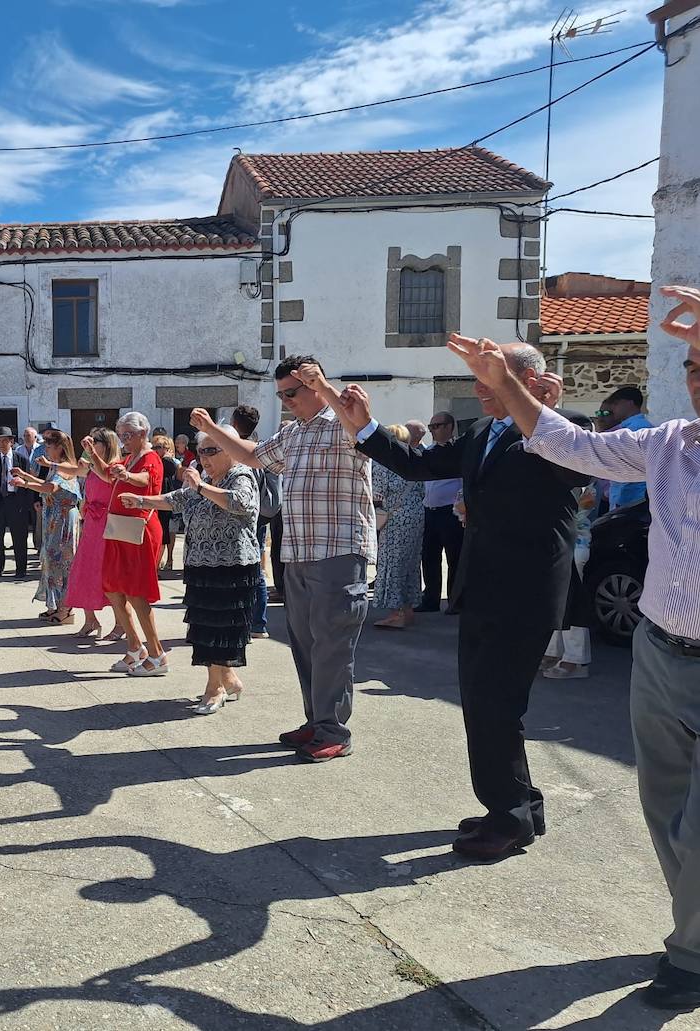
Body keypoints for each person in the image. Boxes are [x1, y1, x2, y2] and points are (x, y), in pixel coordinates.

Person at [442, 285, 699, 1008]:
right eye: (695, 367)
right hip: (659, 653)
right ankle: (697, 923)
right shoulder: (667, 443)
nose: (698, 378)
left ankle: (690, 951)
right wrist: (506, 388)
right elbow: (568, 443)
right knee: (667, 810)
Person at [299, 343, 589, 859]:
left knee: (497, 705)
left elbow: (576, 473)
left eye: (487, 376)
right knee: (482, 704)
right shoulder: (480, 432)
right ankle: (518, 803)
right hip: (480, 588)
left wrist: (542, 415)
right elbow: (416, 464)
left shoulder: (561, 426)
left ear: (524, 380)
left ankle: (510, 818)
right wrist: (363, 427)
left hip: (526, 593)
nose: (477, 387)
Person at [192, 354, 376, 763]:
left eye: (293, 392)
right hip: (297, 552)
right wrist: (212, 431)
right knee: (306, 645)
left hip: (339, 551)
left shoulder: (344, 419)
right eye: (282, 395)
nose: (287, 400)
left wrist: (326, 387)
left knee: (332, 646)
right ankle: (317, 721)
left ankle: (334, 731)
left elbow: (365, 432)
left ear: (315, 385)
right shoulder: (293, 433)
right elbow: (253, 455)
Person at [122, 429, 260, 712]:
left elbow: (240, 503)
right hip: (200, 566)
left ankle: (215, 687)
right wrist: (141, 501)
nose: (204, 458)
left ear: (229, 450)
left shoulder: (241, 476)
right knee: (205, 628)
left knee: (221, 629)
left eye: (211, 451)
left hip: (230, 567)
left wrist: (201, 488)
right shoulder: (206, 479)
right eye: (201, 451)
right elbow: (175, 499)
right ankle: (229, 678)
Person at [102, 412, 167, 676]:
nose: (123, 439)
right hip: (122, 529)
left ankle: (157, 655)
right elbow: (106, 476)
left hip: (140, 531)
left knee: (136, 593)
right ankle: (134, 647)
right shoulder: (131, 457)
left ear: (142, 433)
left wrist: (127, 476)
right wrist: (93, 456)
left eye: (127, 434)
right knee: (113, 589)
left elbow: (147, 482)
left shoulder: (150, 457)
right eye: (121, 435)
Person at [540, 414, 597, 681]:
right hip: (554, 538)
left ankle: (576, 659)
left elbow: (586, 503)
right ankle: (553, 650)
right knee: (554, 598)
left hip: (576, 539)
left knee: (573, 601)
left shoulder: (585, 463)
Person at [11, 428, 80, 624]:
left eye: (48, 445)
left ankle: (66, 609)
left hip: (64, 520)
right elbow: (47, 483)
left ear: (59, 448)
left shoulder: (66, 466)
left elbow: (51, 488)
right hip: (55, 519)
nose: (45, 449)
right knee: (51, 561)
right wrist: (26, 475)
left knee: (63, 563)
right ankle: (57, 605)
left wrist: (24, 483)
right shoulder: (56, 466)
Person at [62, 428, 123, 640]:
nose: (91, 444)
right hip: (91, 525)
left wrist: (92, 455)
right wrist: (85, 452)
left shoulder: (115, 466)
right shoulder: (90, 466)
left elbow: (107, 478)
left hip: (108, 526)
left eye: (96, 441)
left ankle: (120, 624)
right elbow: (76, 470)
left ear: (106, 444)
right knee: (84, 572)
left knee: (108, 576)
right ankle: (90, 620)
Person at [231, 405, 280, 639]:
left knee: (246, 569)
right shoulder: (262, 448)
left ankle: (251, 621)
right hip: (261, 516)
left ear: (234, 422)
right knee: (256, 567)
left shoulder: (238, 450)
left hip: (245, 517)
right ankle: (258, 623)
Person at [370, 425, 425, 629]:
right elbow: (422, 489)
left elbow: (377, 492)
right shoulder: (415, 456)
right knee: (411, 563)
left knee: (393, 563)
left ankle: (397, 613)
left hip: (394, 517)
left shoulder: (385, 462)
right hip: (416, 515)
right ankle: (408, 609)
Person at [416, 411, 464, 614]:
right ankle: (431, 599)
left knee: (455, 558)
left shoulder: (458, 452)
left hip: (450, 512)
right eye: (431, 427)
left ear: (449, 427)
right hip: (430, 511)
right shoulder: (428, 451)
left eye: (436, 426)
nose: (433, 431)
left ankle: (455, 600)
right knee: (429, 557)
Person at [0, 427, 34, 578]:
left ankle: (20, 569)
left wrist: (29, 505)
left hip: (16, 502)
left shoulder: (21, 459)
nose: (2, 444)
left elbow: (28, 482)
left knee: (19, 537)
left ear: (11, 442)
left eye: (5, 440)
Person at [595, 386, 652, 509]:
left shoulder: (635, 429)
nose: (613, 408)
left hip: (631, 500)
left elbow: (626, 467)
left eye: (616, 404)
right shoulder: (632, 427)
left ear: (630, 403)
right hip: (627, 499)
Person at [152, 434, 180, 572]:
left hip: (164, 502)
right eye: (157, 447)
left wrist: (168, 457)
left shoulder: (168, 462)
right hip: (152, 500)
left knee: (163, 535)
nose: (159, 449)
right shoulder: (151, 460)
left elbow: (171, 470)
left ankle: (156, 567)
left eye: (163, 447)